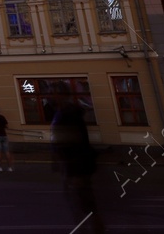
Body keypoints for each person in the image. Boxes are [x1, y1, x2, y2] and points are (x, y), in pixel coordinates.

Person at [52, 99, 104, 234]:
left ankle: (92, 229)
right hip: (73, 167)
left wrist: (71, 169)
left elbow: (71, 145)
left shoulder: (67, 117)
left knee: (85, 205)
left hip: (76, 169)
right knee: (81, 205)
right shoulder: (64, 115)